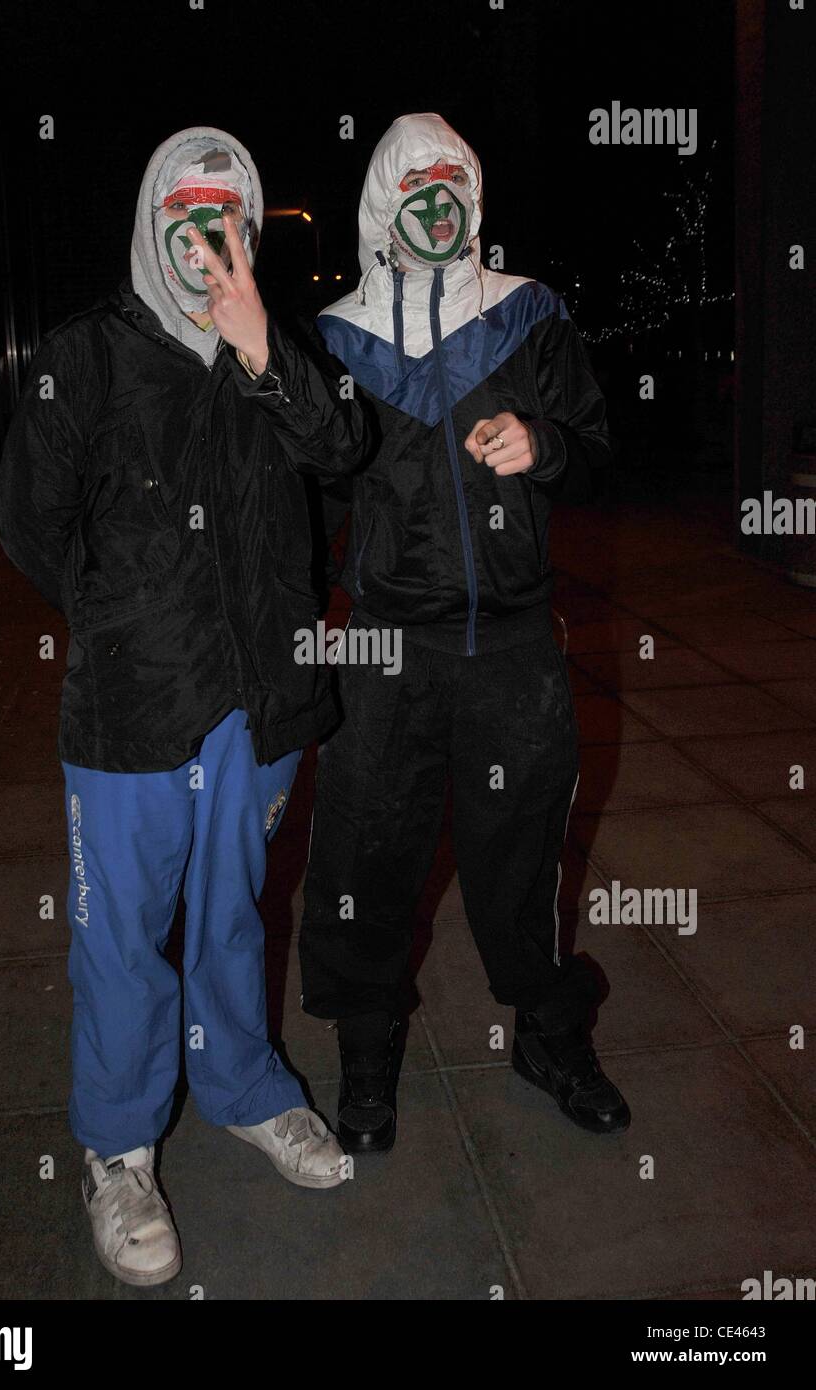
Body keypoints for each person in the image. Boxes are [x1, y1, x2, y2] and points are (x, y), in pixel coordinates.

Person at [0, 126, 371, 1286]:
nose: (205, 235)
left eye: (227, 214)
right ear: (153, 217)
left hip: (254, 705)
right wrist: (123, 618)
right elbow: (26, 525)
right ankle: (116, 1147)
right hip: (132, 713)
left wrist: (263, 347)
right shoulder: (83, 358)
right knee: (121, 939)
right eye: (187, 209)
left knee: (233, 913)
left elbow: (345, 447)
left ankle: (246, 1090)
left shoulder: (277, 348)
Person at [299, 112, 630, 1155]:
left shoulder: (527, 314)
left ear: (474, 193)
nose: (435, 192)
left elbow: (595, 450)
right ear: (382, 197)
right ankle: (364, 1050)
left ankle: (545, 1032)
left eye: (453, 175)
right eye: (414, 177)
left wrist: (545, 445)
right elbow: (304, 498)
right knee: (363, 850)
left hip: (513, 643)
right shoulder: (334, 334)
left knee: (520, 850)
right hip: (384, 648)